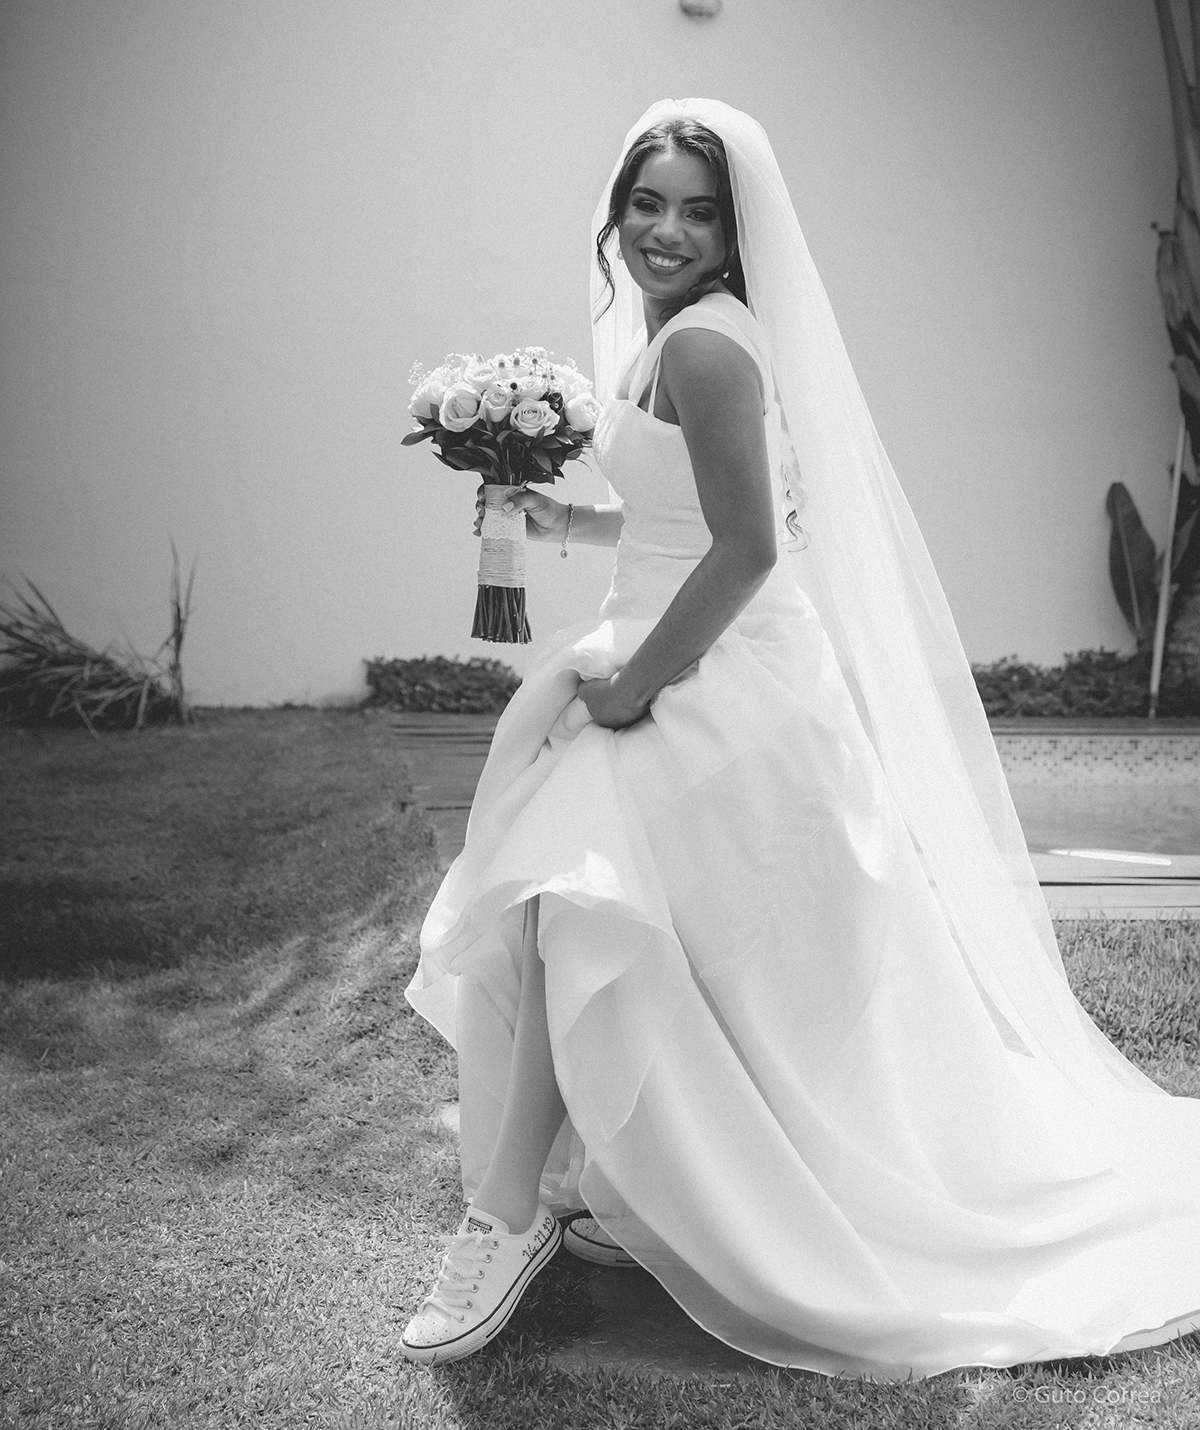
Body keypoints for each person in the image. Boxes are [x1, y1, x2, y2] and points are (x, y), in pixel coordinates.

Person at [398, 99, 1200, 1379]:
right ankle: (598, 1188)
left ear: (734, 233)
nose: (666, 230)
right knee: (585, 918)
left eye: (697, 212)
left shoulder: (707, 345)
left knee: (568, 904)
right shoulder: (673, 335)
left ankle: (506, 1217)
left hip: (712, 678)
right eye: (647, 203)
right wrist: (565, 525)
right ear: (616, 213)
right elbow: (685, 512)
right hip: (676, 650)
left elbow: (749, 550)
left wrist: (635, 688)